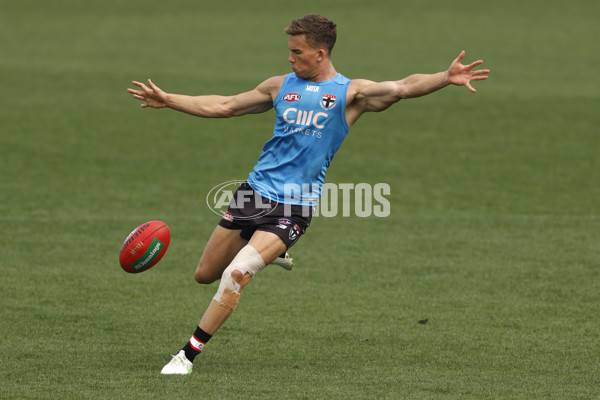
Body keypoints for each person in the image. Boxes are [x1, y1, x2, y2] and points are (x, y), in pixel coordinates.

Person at [127, 14, 489, 375]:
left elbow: (401, 87)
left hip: (294, 206)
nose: (289, 58)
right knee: (204, 274)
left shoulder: (351, 93)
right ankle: (275, 249)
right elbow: (226, 106)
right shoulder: (279, 86)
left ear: (320, 53)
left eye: (296, 52)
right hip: (253, 194)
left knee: (235, 273)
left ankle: (186, 356)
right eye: (289, 50)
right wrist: (169, 99)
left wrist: (445, 77)